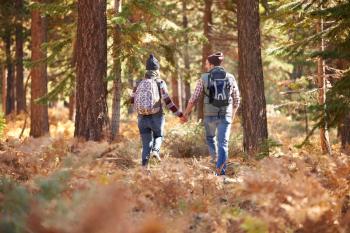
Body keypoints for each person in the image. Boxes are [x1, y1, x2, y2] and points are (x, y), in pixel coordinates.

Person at [183, 52, 240, 175]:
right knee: (223, 143)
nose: (205, 66)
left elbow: (194, 98)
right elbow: (237, 99)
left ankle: (214, 159)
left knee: (210, 138)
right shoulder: (230, 77)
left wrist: (186, 113)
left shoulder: (204, 78)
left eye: (206, 63)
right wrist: (232, 115)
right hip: (226, 114)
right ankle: (220, 172)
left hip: (209, 115)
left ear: (211, 64)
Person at [131, 54, 185, 167]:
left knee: (146, 145)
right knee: (158, 136)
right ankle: (155, 151)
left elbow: (132, 100)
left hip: (141, 118)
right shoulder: (160, 82)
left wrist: (141, 111)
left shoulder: (138, 82)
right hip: (157, 116)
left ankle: (144, 171)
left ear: (146, 69)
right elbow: (168, 101)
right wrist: (179, 114)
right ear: (157, 69)